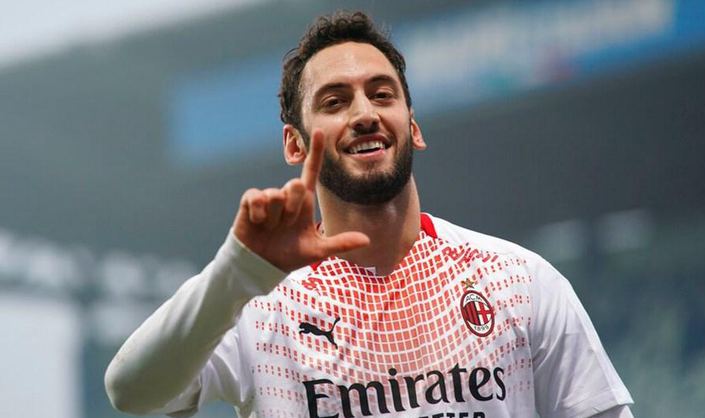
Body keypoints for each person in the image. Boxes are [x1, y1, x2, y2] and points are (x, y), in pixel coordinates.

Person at [105, 10, 634, 418]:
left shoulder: (519, 281)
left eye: (381, 95)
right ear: (294, 144)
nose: (364, 114)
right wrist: (236, 272)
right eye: (334, 102)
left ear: (413, 126)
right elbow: (131, 391)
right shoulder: (260, 304)